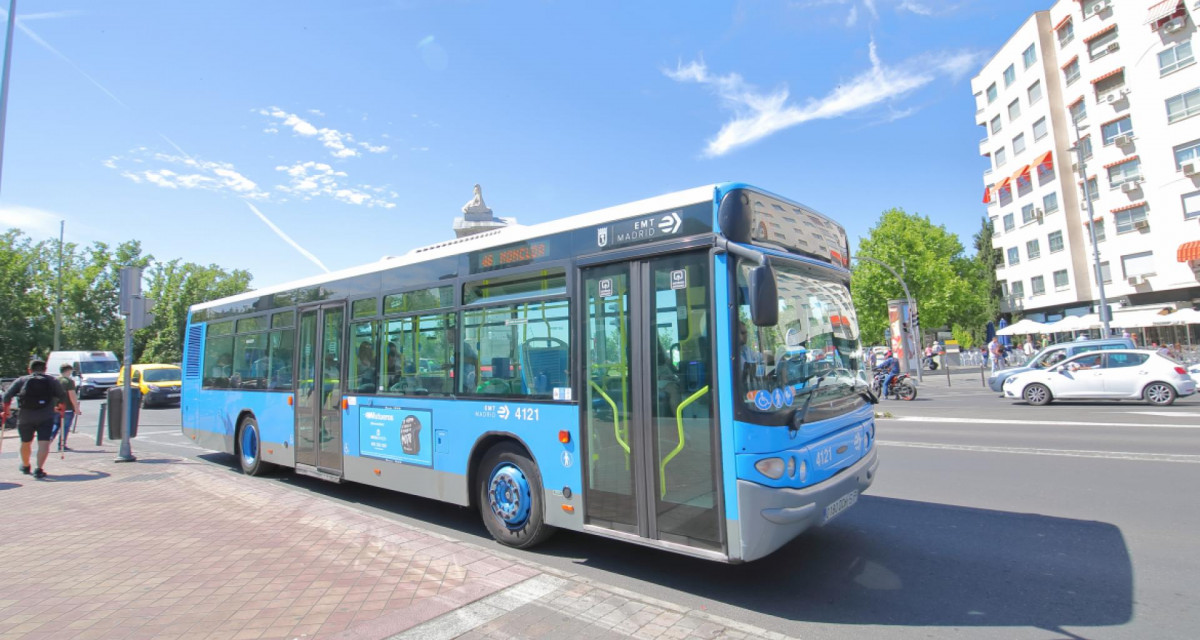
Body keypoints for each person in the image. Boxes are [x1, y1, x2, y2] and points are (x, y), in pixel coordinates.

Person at [2, 359, 69, 479]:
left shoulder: (22, 380)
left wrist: (6, 411)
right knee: (43, 443)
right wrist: (60, 408)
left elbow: (6, 396)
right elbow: (63, 396)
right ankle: (39, 469)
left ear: (29, 369)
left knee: (25, 442)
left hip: (25, 417)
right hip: (46, 416)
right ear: (45, 369)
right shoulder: (51, 380)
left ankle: (26, 465)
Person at [50, 363, 82, 451]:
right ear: (68, 371)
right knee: (65, 427)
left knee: (55, 425)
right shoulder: (69, 381)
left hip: (56, 408)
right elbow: (72, 396)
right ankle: (62, 445)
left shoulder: (54, 380)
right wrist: (76, 408)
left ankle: (48, 441)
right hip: (67, 408)